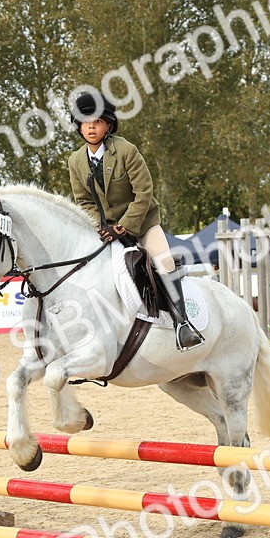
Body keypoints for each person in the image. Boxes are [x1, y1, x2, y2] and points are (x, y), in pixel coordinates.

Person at [67, 93, 203, 350]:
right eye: (86, 122)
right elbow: (83, 201)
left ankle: (183, 324)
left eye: (97, 121)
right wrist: (103, 227)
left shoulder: (126, 151)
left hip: (142, 223)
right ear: (79, 126)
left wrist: (125, 226)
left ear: (108, 125)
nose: (92, 127)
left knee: (163, 261)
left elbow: (144, 192)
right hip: (106, 229)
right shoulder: (75, 161)